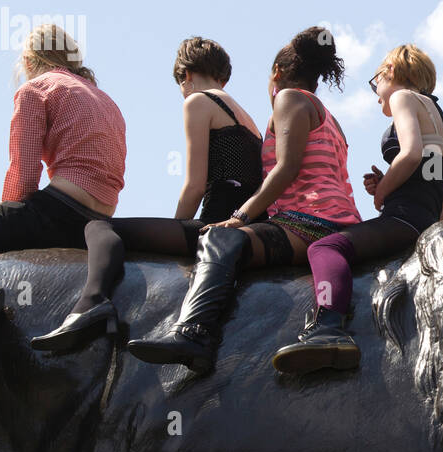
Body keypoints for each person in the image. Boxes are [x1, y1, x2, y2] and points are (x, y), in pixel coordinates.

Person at [127, 26, 361, 373]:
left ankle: (194, 332)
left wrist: (241, 215)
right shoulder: (332, 119)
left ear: (277, 74)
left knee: (219, 236)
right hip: (338, 219)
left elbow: (286, 168)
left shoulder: (288, 99)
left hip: (309, 221)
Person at [29, 37, 264, 352]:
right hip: (250, 224)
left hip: (217, 225)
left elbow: (195, 185)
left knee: (100, 227)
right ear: (223, 76)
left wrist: (175, 230)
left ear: (186, 75)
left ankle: (92, 302)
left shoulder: (198, 101)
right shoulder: (248, 120)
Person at [272, 43, 443, 375]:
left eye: (377, 84)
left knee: (326, 246)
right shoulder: (442, 119)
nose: (378, 97)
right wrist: (393, 185)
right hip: (424, 220)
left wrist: (383, 192)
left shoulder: (403, 96)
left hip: (403, 217)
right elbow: (438, 184)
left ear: (390, 73)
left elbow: (412, 153)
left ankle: (329, 326)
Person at [0, 23, 127, 261]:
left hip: (62, 209)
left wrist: (7, 220)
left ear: (28, 62)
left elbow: (24, 172)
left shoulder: (36, 89)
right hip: (102, 217)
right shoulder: (106, 100)